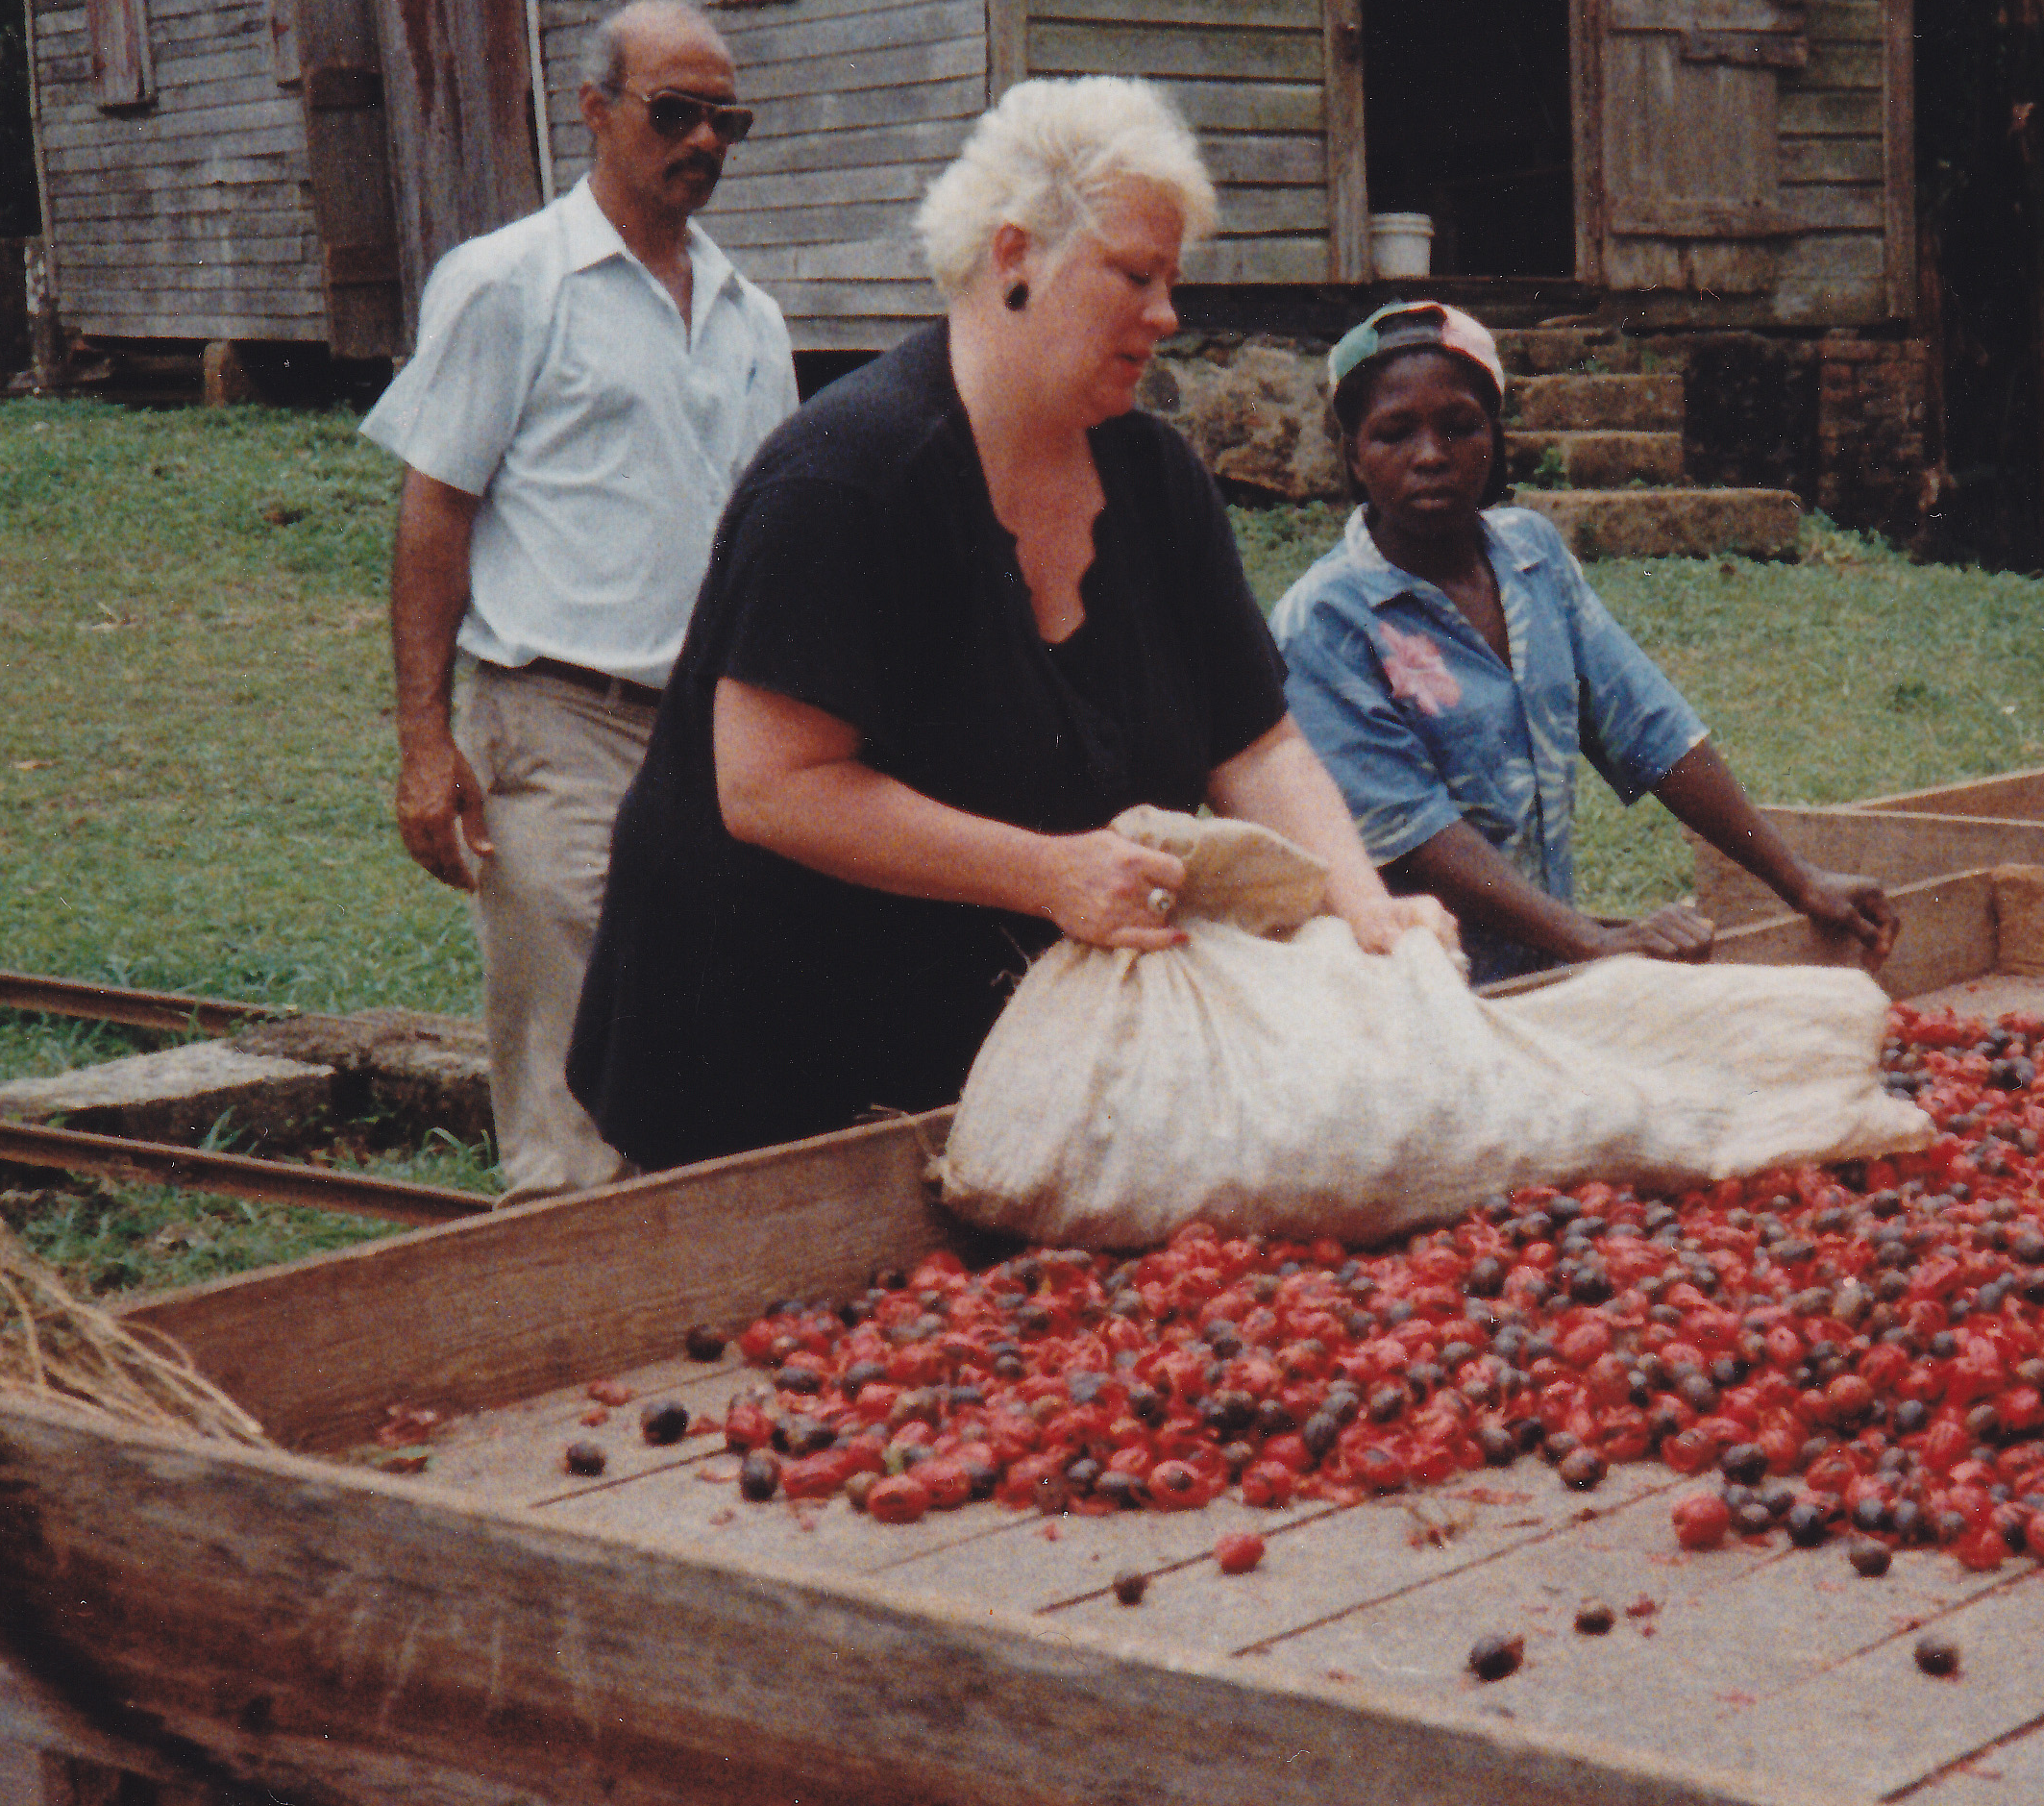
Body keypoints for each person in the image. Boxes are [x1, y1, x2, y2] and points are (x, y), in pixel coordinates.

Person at [563, 76, 1441, 1176]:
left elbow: (1252, 739)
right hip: (760, 1060)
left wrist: (1367, 911)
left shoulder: (1155, 475)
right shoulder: (847, 478)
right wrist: (1047, 872)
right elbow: (771, 785)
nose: (1166, 316)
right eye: (1135, 274)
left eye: (1171, 281)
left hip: (992, 1060)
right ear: (1015, 253)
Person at [363, 0, 795, 1198]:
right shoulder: (509, 284)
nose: (702, 142)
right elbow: (435, 508)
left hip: (719, 739)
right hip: (556, 720)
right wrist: (422, 740)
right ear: (596, 111)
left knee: (712, 1041)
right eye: (674, 113)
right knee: (567, 1074)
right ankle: (560, 1318)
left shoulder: (752, 319)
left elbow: (774, 536)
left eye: (727, 120)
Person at [1269, 300, 1900, 983]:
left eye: (1459, 428)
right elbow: (1413, 837)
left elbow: (1648, 727)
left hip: (1545, 970)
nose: (1430, 456)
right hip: (1408, 986)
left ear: (1495, 439)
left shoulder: (1531, 556)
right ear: (1354, 456)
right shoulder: (1323, 619)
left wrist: (1798, 880)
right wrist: (1594, 942)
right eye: (1394, 433)